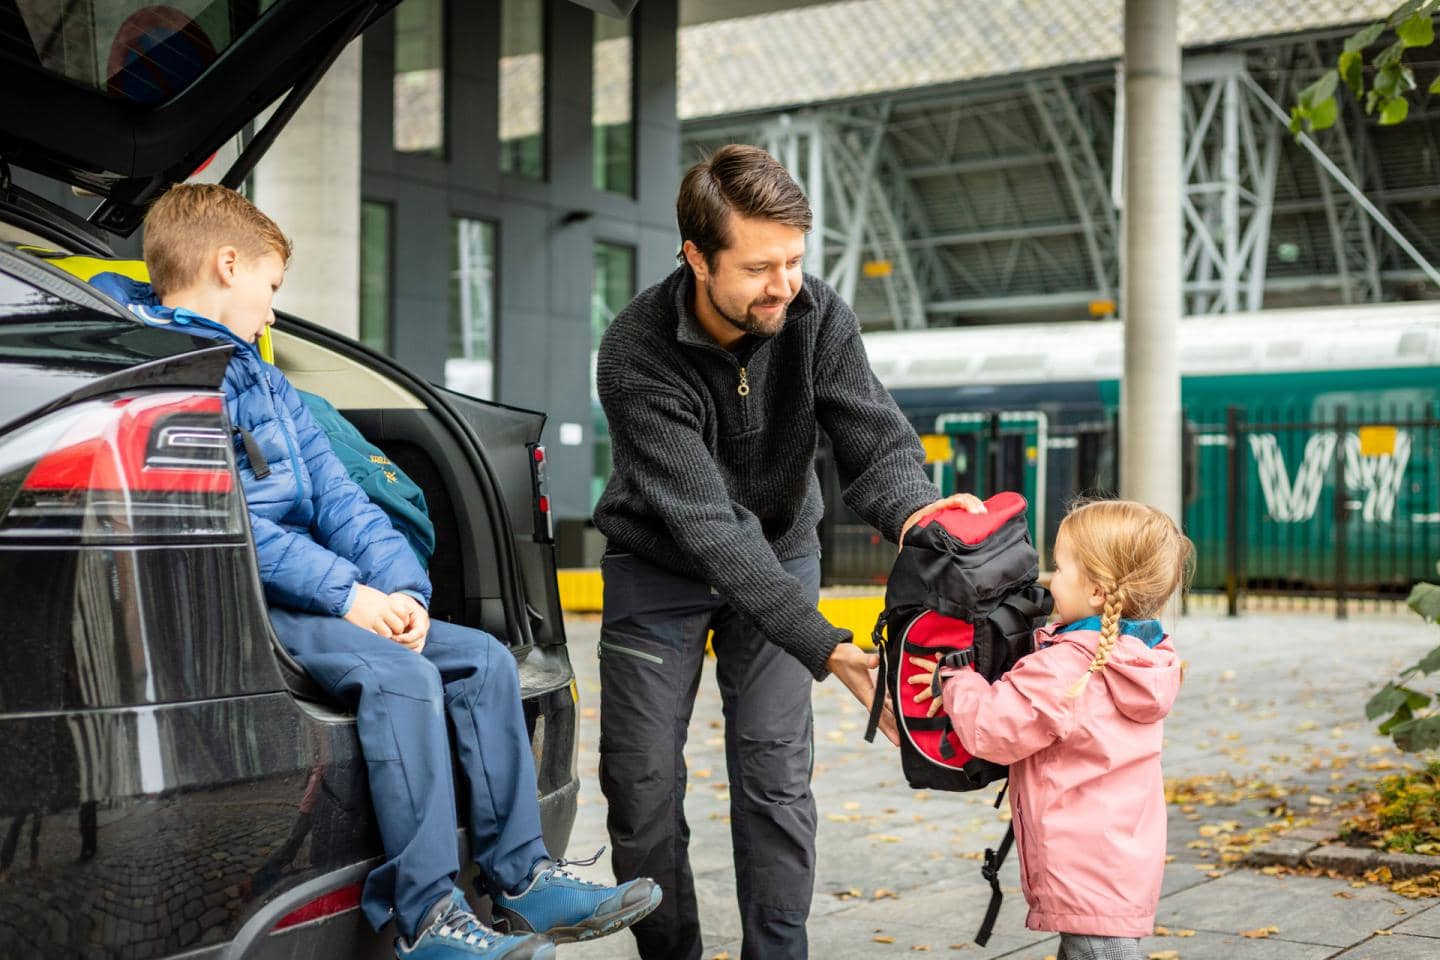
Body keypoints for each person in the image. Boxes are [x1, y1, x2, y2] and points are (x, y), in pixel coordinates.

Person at [91, 184, 660, 960]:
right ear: (228, 264)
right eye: (271, 285)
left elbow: (345, 503)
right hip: (247, 602)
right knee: (402, 677)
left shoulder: (269, 383)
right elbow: (233, 529)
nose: (274, 310)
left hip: (322, 596)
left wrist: (400, 591)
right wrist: (348, 595)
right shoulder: (169, 386)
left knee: (484, 660)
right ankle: (425, 918)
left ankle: (526, 882)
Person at [592, 143, 976, 960]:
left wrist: (926, 517)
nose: (784, 284)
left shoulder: (819, 316)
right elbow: (709, 527)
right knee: (641, 787)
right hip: (659, 563)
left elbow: (874, 444)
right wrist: (825, 644)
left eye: (795, 259)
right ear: (696, 256)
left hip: (782, 549)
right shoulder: (635, 352)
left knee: (773, 779)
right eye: (760, 266)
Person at [911, 499, 1193, 960]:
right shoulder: (1147, 655)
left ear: (1099, 592)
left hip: (1081, 868)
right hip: (1120, 861)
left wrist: (958, 679)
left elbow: (993, 729)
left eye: (1060, 569)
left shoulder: (1066, 666)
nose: (1049, 581)